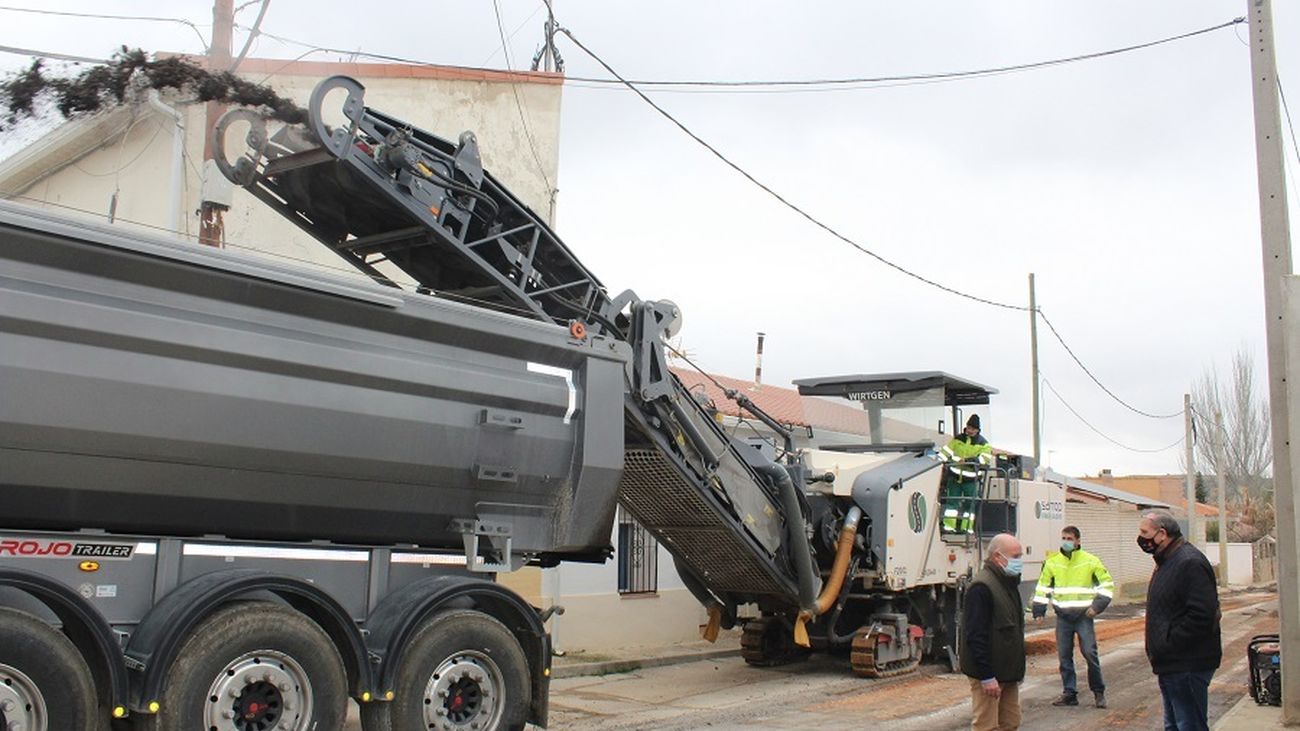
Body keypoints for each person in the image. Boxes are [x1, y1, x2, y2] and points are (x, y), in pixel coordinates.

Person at [1139, 511, 1222, 731]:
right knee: (1174, 725)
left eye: (1145, 532)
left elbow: (1202, 615)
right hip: (1171, 664)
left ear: (1162, 534)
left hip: (1187, 664)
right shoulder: (1167, 561)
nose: (1141, 538)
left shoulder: (1189, 562)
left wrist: (1168, 644)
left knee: (1189, 725)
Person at [1032, 526, 1115, 708]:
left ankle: (1098, 692)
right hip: (1063, 617)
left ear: (1078, 541)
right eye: (1063, 538)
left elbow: (1107, 585)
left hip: (1084, 616)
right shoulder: (1052, 562)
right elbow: (1043, 587)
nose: (1066, 541)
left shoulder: (1090, 561)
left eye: (1069, 538)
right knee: (1064, 657)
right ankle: (1070, 693)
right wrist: (1039, 611)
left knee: (1090, 654)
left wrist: (1097, 607)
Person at [960, 533, 1026, 731]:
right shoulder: (982, 588)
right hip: (989, 675)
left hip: (1007, 673)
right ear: (998, 557)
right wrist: (986, 676)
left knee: (1010, 722)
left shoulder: (1008, 584)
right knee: (986, 726)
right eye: (1016, 556)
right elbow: (975, 635)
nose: (1019, 561)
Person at [939, 414, 994, 534]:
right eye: (969, 428)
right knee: (951, 503)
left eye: (973, 429)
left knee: (970, 505)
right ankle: (949, 527)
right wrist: (938, 460)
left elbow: (984, 459)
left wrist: (969, 461)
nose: (970, 431)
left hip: (971, 480)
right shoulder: (958, 439)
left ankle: (966, 528)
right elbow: (945, 452)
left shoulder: (984, 444)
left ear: (978, 430)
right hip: (954, 478)